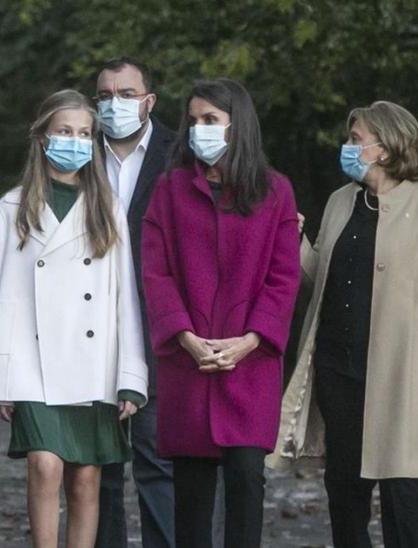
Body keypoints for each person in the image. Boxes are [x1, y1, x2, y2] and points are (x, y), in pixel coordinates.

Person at [271, 101, 418, 548]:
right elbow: (321, 274)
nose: (348, 147)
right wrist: (294, 240)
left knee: (402, 487)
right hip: (340, 368)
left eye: (356, 140)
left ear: (388, 145)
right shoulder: (341, 201)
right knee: (344, 488)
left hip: (401, 371)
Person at [0, 89, 147, 548]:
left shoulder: (107, 207)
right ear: (42, 138)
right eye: (65, 132)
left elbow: (122, 297)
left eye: (84, 133)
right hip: (32, 363)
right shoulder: (12, 207)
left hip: (94, 362)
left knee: (87, 478)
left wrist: (130, 375)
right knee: (45, 464)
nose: (74, 141)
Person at [141, 79, 300, 548]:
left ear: (238, 125)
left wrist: (251, 340)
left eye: (210, 120)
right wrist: (185, 337)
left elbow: (283, 276)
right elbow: (156, 273)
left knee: (247, 478)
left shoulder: (276, 192)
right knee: (189, 491)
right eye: (192, 120)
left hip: (249, 367)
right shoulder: (169, 190)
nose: (198, 129)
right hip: (187, 365)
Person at [88, 57, 178, 548]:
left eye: (125, 93)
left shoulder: (178, 154)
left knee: (156, 459)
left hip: (156, 325)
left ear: (149, 101)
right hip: (87, 327)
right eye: (104, 95)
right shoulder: (75, 152)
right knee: (98, 468)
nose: (114, 104)